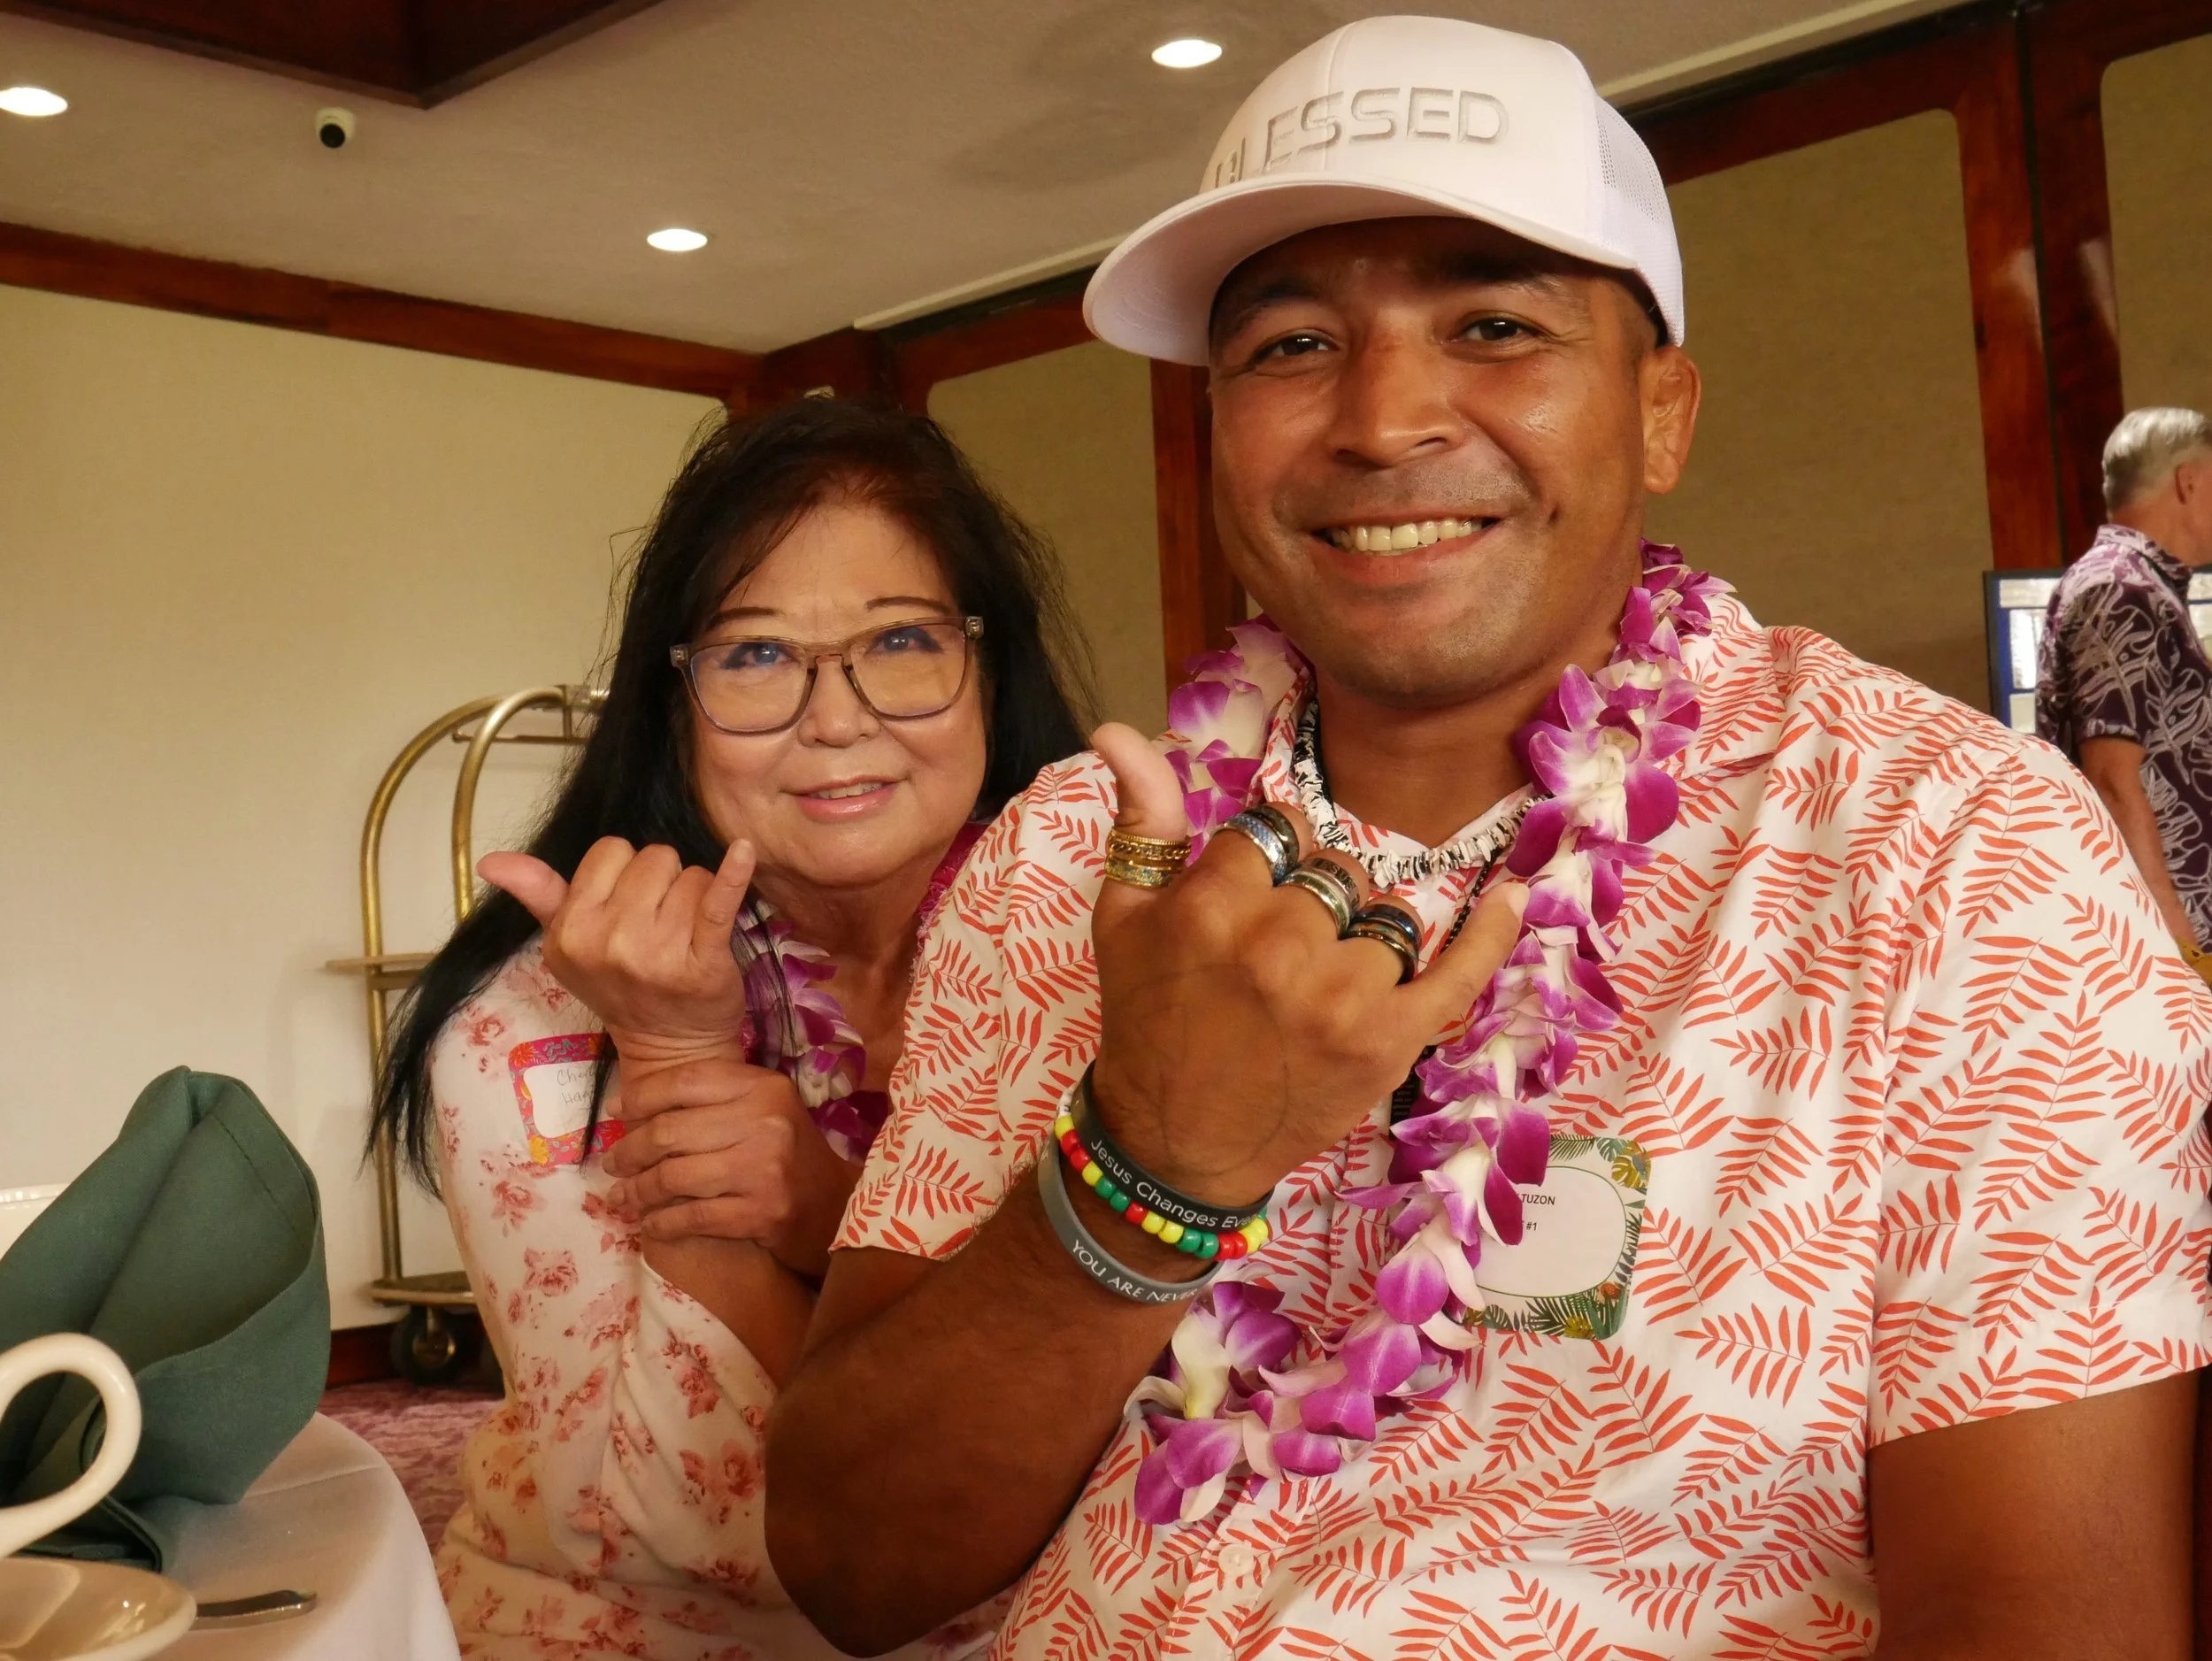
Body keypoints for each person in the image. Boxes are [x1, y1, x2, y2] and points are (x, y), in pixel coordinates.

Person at [673, 19, 2206, 1660]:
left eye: (1494, 323)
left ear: (1663, 411)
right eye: (1289, 346)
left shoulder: (1952, 847)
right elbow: (854, 1562)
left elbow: (2057, 1623)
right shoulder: (1071, 857)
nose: (1384, 417)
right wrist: (1142, 1171)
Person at [370, 398, 1093, 1658]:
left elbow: (1182, 1438)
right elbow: (680, 1519)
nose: (835, 718)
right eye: (756, 654)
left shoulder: (1118, 948)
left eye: (901, 638)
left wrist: (826, 1214)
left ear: (990, 667)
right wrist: (670, 1056)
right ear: (675, 703)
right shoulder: (534, 1011)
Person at [2038, 406, 2212, 962]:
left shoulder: (2137, 585)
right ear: (2188, 481)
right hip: (2165, 944)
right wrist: (2179, 952)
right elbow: (2113, 779)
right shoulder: (2121, 590)